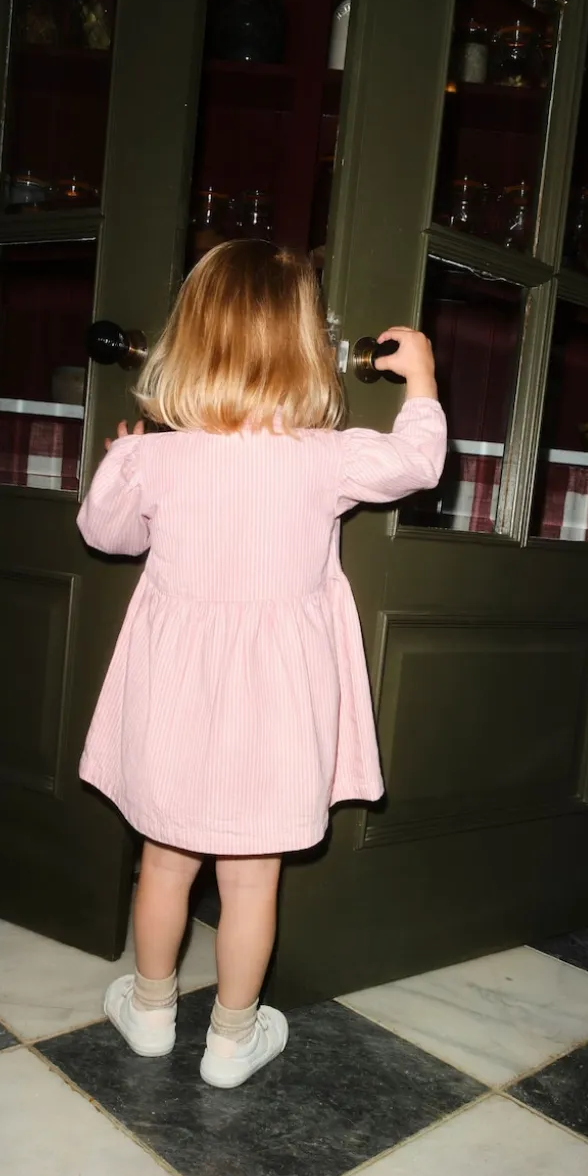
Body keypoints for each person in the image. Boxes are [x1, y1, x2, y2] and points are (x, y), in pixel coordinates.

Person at [77, 240, 446, 1088]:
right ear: (307, 346)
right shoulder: (328, 456)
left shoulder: (152, 457)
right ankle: (233, 1039)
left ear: (189, 339)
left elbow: (106, 536)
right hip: (276, 707)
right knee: (252, 881)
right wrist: (421, 378)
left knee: (163, 861)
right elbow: (420, 463)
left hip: (176, 701)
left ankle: (151, 1011)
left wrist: (118, 467)